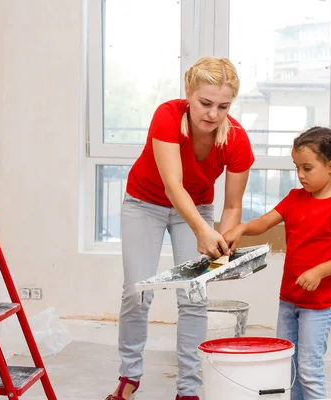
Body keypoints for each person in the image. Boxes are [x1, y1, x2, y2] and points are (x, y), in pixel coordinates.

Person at [107, 57, 254, 400]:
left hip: (198, 208)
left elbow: (232, 206)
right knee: (136, 291)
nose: (213, 114)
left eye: (223, 106)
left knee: (194, 295)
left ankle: (189, 388)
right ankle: (129, 376)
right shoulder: (167, 116)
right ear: (188, 92)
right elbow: (173, 185)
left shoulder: (237, 141)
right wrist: (203, 231)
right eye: (205, 103)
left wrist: (223, 244)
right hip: (145, 203)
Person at [223, 126, 331, 400]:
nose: (300, 175)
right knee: (288, 368)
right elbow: (264, 222)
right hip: (289, 299)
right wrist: (239, 229)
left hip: (318, 304)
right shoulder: (294, 198)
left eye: (307, 168)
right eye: (297, 167)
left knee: (309, 370)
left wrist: (319, 271)